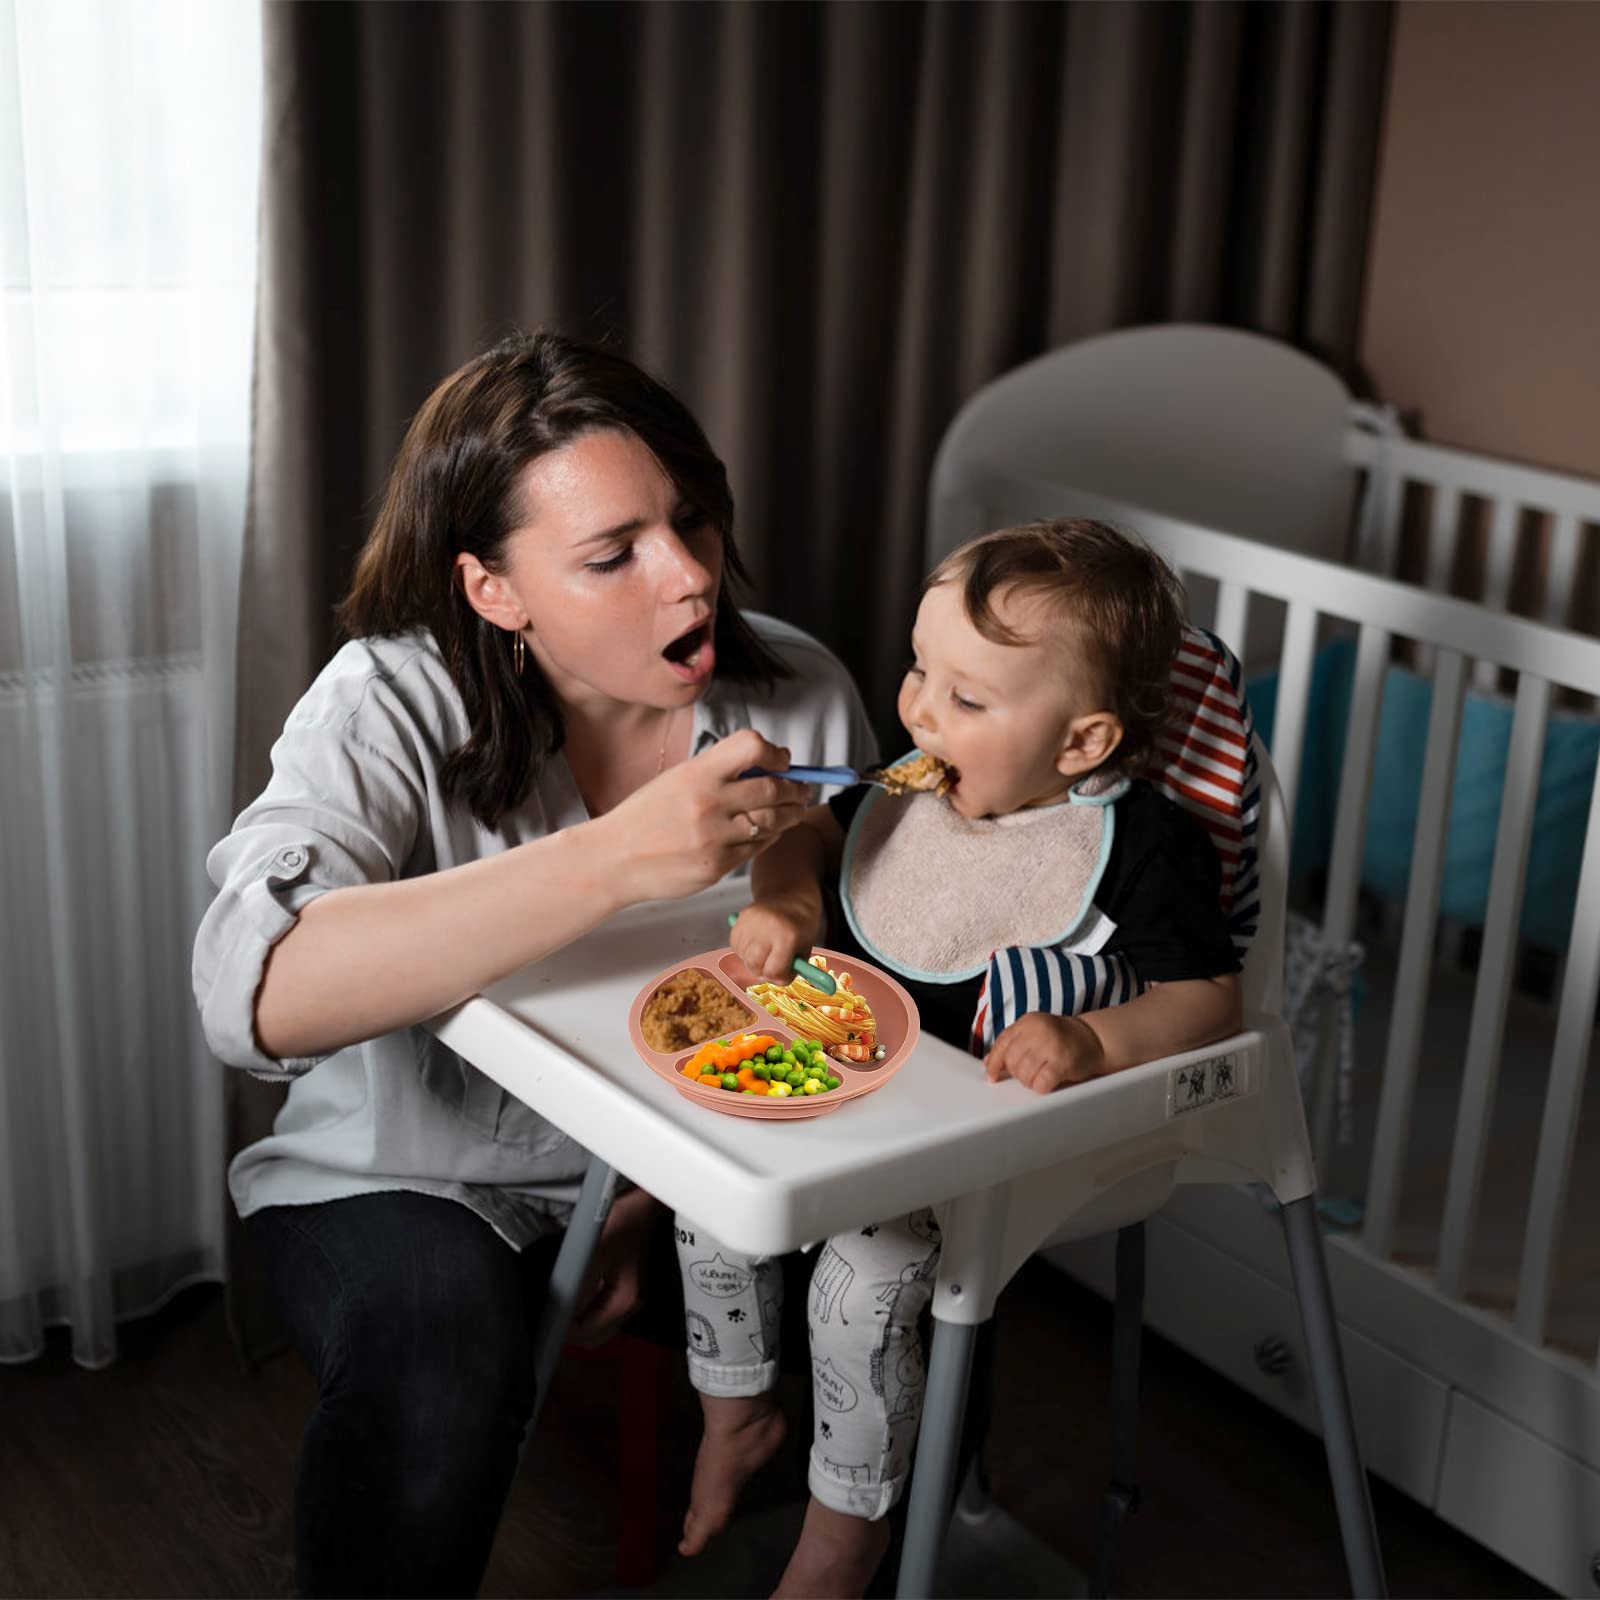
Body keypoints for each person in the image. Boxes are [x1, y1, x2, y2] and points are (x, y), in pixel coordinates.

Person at [192, 329, 877, 1598]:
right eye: (612, 555)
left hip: (702, 1179)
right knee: (434, 1348)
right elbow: (257, 994)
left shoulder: (802, 698)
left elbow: (839, 1003)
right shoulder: (387, 704)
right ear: (492, 587)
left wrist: (653, 1197)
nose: (688, 579)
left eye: (694, 522)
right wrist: (615, 859)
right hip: (408, 1174)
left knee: (917, 1290)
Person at [675, 519, 1244, 1598]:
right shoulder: (912, 782)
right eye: (918, 668)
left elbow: (1209, 995)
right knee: (710, 1192)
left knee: (863, 1280)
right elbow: (808, 830)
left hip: (969, 1145)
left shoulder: (1138, 849)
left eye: (966, 698)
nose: (920, 709)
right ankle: (735, 1413)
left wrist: (1091, 1039)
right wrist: (789, 894)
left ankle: (844, 1536)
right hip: (840, 1080)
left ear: (1080, 743)